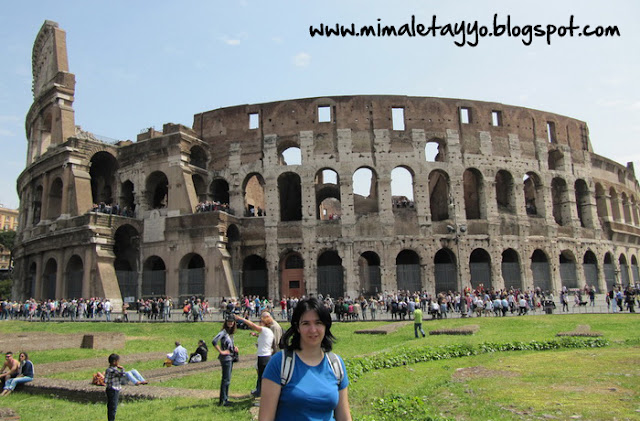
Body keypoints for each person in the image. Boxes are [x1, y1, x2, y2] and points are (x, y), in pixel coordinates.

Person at [259, 297, 352, 421]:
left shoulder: (336, 364)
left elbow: (344, 417)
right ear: (298, 327)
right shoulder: (279, 363)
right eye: (306, 323)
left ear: (326, 326)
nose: (313, 330)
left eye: (318, 323)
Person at [236, 313, 274, 398]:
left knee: (262, 378)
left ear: (264, 323)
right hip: (266, 356)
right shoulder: (268, 332)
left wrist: (242, 319)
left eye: (261, 321)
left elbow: (252, 325)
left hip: (263, 357)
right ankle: (262, 396)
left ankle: (262, 398)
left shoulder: (264, 330)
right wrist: (256, 335)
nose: (259, 323)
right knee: (263, 377)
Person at [212, 315, 239, 407]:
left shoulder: (230, 333)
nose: (230, 323)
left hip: (230, 357)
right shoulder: (223, 332)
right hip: (226, 358)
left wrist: (234, 348)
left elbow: (229, 344)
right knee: (225, 379)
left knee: (228, 379)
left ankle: (225, 398)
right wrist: (221, 351)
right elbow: (214, 341)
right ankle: (223, 401)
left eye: (232, 322)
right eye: (229, 322)